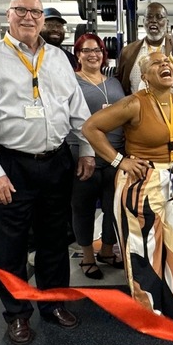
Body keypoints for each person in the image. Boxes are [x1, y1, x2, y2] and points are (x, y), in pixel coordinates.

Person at [0, 0, 96, 345]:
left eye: (35, 12)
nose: (28, 17)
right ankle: (17, 314)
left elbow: (77, 108)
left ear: (42, 19)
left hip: (55, 162)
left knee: (54, 239)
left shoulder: (58, 58)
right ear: (8, 15)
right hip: (11, 164)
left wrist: (86, 149)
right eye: (20, 10)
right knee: (10, 246)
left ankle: (53, 304)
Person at [83, 52, 173, 322]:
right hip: (142, 181)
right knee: (143, 250)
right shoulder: (134, 103)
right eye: (156, 63)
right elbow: (91, 128)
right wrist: (119, 161)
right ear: (144, 76)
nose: (165, 65)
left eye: (167, 62)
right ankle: (149, 316)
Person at [70, 33, 126, 279]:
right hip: (85, 154)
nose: (93, 55)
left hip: (115, 154)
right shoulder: (72, 82)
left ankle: (106, 250)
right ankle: (87, 257)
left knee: (113, 206)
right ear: (78, 55)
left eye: (97, 50)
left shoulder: (113, 82)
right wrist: (84, 151)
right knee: (82, 206)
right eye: (87, 50)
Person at [116, 1, 172, 95]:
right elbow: (120, 83)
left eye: (159, 17)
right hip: (136, 103)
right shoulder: (128, 51)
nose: (153, 21)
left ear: (167, 22)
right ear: (143, 22)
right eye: (149, 17)